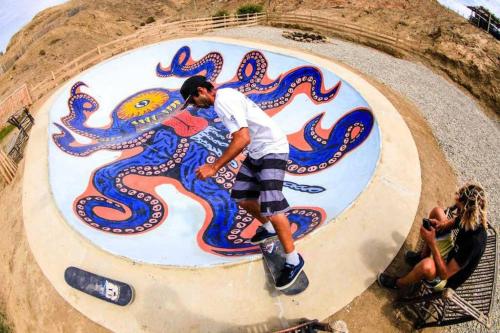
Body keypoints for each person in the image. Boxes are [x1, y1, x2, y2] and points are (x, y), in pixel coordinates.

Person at [179, 75, 304, 290]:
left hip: (272, 149)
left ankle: (293, 260)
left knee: (272, 207)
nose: (195, 107)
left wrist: (214, 167)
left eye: (193, 101)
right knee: (242, 196)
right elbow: (243, 135)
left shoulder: (222, 101)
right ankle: (267, 228)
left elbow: (242, 138)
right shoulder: (226, 96)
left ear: (201, 91)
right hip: (257, 151)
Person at [378, 183, 488, 291]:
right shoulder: (470, 218)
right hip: (451, 254)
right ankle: (421, 257)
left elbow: (444, 274)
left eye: (459, 209)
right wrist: (441, 225)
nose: (457, 212)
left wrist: (431, 242)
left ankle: (399, 284)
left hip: (445, 278)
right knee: (437, 212)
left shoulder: (474, 242)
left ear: (468, 212)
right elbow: (455, 221)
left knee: (427, 266)